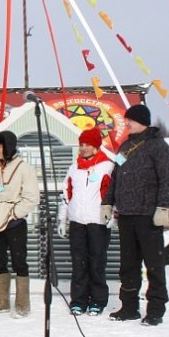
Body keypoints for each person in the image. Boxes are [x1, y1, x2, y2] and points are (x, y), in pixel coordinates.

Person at [102, 103, 169, 326]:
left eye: (130, 120)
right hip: (126, 215)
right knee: (128, 264)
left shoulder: (158, 147)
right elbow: (116, 178)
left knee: (153, 264)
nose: (127, 123)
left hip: (148, 215)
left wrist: (162, 207)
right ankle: (129, 306)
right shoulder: (125, 147)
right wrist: (108, 203)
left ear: (141, 120)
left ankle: (155, 309)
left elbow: (167, 179)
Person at [57, 126, 114, 317]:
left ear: (96, 146)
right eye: (81, 144)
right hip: (77, 221)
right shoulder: (74, 167)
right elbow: (66, 192)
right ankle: (79, 300)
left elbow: (113, 193)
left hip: (97, 221)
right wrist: (62, 219)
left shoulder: (107, 166)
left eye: (88, 144)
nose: (84, 148)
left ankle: (97, 300)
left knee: (96, 262)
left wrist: (112, 216)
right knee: (79, 262)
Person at [0, 131, 39, 318]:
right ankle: (1, 302)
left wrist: (15, 214)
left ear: (9, 146)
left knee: (19, 262)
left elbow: (31, 198)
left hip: (15, 222)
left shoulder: (24, 169)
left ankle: (23, 305)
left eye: (0, 146)